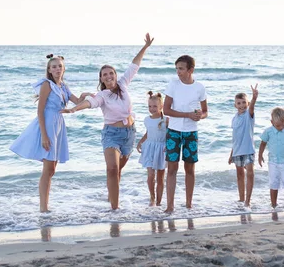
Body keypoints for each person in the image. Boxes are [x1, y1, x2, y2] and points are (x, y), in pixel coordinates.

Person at [61, 33, 154, 210]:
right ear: (101, 79)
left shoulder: (123, 84)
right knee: (112, 169)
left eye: (111, 73)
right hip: (111, 134)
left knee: (118, 171)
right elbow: (91, 103)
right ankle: (115, 208)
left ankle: (111, 198)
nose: (109, 76)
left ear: (115, 75)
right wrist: (75, 108)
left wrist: (145, 47)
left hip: (129, 134)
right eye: (105, 75)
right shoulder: (102, 95)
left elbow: (135, 65)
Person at [9, 54, 87, 212]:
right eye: (54, 67)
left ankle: (45, 206)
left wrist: (85, 96)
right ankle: (43, 208)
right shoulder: (47, 85)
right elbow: (40, 111)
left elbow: (77, 102)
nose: (58, 69)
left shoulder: (63, 86)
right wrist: (44, 135)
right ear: (49, 70)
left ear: (63, 68)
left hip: (58, 126)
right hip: (48, 126)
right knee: (48, 168)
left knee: (52, 169)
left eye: (60, 66)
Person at [163, 55, 208, 213]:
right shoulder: (173, 85)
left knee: (190, 169)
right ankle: (170, 206)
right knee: (172, 169)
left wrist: (198, 116)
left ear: (191, 70)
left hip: (191, 132)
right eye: (176, 68)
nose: (178, 72)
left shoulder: (199, 87)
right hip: (174, 131)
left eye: (181, 68)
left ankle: (189, 204)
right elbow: (166, 110)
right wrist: (187, 115)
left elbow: (205, 112)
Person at [228, 84, 258, 208]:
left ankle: (248, 201)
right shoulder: (234, 118)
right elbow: (235, 137)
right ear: (235, 105)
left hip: (248, 150)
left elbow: (251, 107)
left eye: (244, 102)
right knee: (240, 174)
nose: (241, 105)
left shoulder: (248, 115)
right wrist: (231, 154)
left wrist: (254, 97)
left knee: (250, 173)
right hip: (237, 151)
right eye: (239, 103)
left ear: (248, 103)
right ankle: (241, 199)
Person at [136, 91, 168, 206]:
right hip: (149, 148)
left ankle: (159, 202)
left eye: (155, 106)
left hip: (161, 149)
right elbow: (148, 132)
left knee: (160, 177)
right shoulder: (147, 119)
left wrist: (169, 146)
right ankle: (152, 198)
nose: (152, 109)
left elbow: (169, 134)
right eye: (150, 106)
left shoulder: (165, 120)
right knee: (150, 175)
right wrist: (140, 141)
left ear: (161, 106)